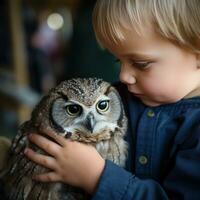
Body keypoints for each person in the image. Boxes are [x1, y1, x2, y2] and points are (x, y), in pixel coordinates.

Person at [24, 0, 200, 199]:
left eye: (141, 63)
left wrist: (96, 177)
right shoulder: (116, 98)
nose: (124, 75)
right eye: (119, 60)